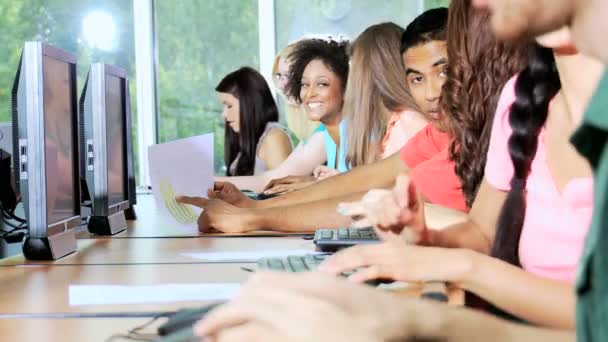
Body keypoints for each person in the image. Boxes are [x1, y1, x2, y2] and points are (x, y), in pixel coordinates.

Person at [194, 0, 608, 341]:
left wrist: (424, 312)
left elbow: (594, 320)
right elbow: (481, 233)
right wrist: (426, 239)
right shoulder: (520, 103)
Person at [263, 22, 429, 196]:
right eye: (305, 84)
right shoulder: (392, 123)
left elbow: (400, 197)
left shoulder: (409, 122)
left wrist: (322, 187)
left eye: (322, 84)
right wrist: (324, 183)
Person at [210, 38, 350, 192]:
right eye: (304, 84)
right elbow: (274, 179)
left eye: (322, 84)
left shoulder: (346, 131)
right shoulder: (324, 133)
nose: (309, 93)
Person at [214, 67, 292, 176]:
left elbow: (285, 190)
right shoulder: (246, 144)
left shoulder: (274, 138)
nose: (224, 114)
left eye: (229, 106)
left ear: (250, 104)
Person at [272, 42, 320, 142]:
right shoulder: (307, 133)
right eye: (279, 76)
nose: (281, 85)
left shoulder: (325, 131)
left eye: (289, 75)